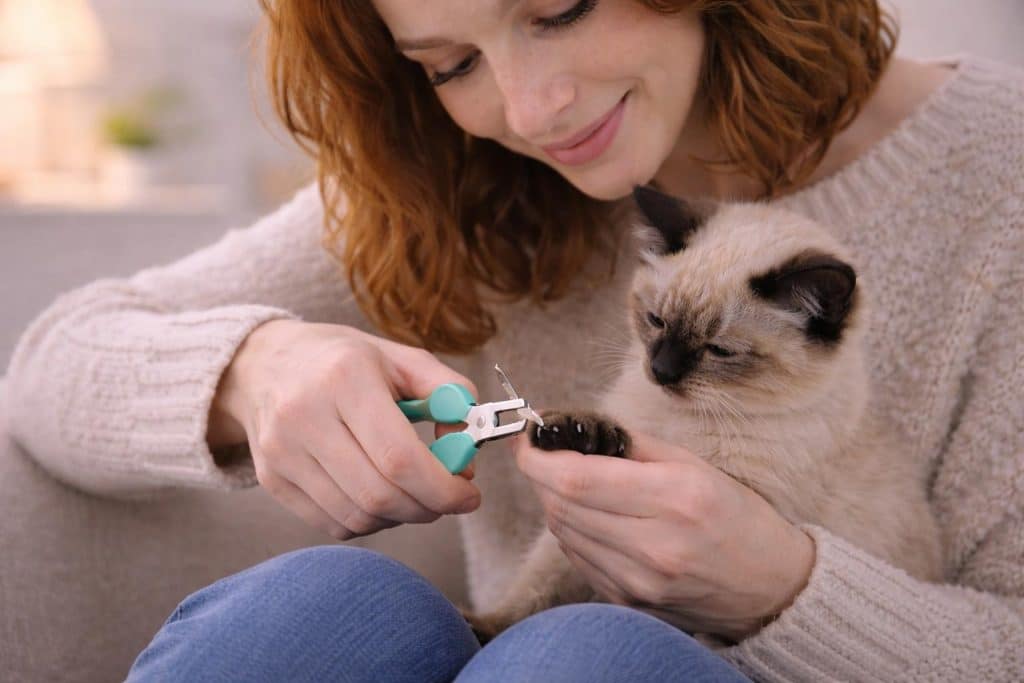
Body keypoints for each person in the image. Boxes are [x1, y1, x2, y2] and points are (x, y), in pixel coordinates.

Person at [5, 0, 1022, 680]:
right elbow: (56, 359)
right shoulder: (467, 187)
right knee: (324, 604)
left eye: (557, 8)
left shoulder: (1000, 180)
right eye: (449, 64)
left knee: (588, 657)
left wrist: (780, 584)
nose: (530, 108)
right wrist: (256, 369)